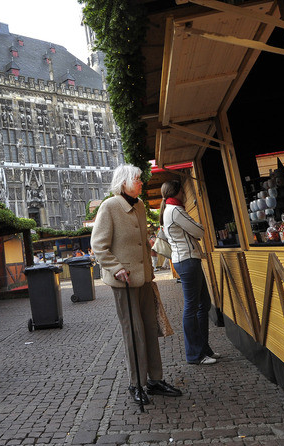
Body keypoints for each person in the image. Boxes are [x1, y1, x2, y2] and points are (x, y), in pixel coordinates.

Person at [92, 164, 182, 405]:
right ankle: (136, 383)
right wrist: (116, 267)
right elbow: (99, 246)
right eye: (137, 179)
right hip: (124, 281)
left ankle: (155, 380)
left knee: (150, 328)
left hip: (144, 279)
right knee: (133, 331)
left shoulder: (140, 205)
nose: (141, 182)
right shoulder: (109, 207)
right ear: (123, 183)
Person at [160, 179, 221, 366]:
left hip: (186, 259)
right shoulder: (175, 210)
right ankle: (195, 354)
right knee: (193, 307)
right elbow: (199, 231)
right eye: (182, 191)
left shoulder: (170, 209)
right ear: (178, 191)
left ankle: (203, 349)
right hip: (187, 260)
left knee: (202, 304)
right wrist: (196, 228)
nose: (184, 194)